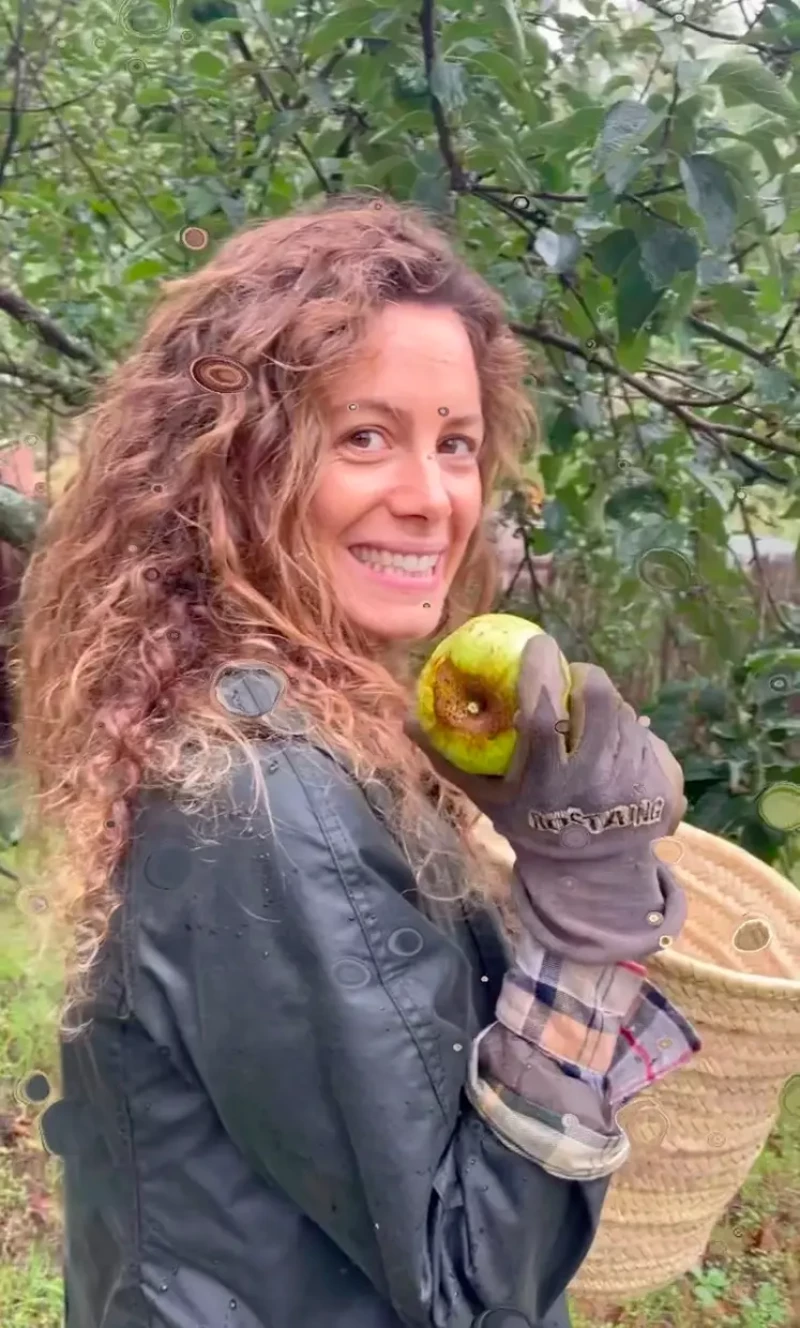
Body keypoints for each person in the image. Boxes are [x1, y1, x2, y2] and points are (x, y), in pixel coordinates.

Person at [14, 194, 699, 1328]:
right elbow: (468, 1283)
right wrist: (585, 915)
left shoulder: (297, 724)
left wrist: (537, 848)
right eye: (364, 435)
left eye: (455, 442)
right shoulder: (266, 790)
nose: (430, 498)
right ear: (239, 464)